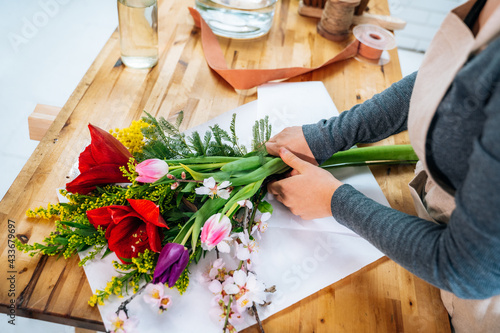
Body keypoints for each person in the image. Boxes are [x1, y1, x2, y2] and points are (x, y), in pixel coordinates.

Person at [265, 0, 500, 332]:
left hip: (476, 304)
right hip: (429, 218)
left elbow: (469, 269)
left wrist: (334, 201)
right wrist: (330, 135)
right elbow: (450, 84)